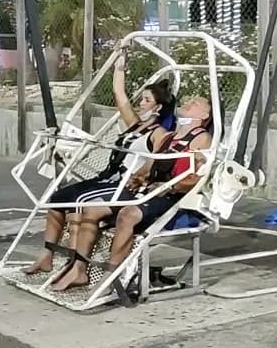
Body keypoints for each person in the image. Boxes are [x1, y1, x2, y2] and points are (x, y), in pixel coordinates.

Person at [25, 48, 175, 277]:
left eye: (147, 100)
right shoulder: (135, 125)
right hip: (108, 176)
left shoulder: (159, 133)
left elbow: (159, 160)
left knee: (78, 204)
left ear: (158, 107)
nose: (141, 104)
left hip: (123, 182)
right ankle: (47, 255)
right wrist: (119, 67)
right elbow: (119, 95)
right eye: (142, 99)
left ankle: (77, 266)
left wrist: (144, 174)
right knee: (56, 198)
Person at [51, 94, 214, 291]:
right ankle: (79, 269)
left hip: (169, 195)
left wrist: (169, 187)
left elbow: (195, 178)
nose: (188, 102)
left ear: (205, 115)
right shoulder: (168, 138)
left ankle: (111, 277)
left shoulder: (201, 139)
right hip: (148, 190)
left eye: (195, 103)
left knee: (128, 215)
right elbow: (149, 164)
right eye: (188, 100)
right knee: (91, 210)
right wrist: (137, 177)